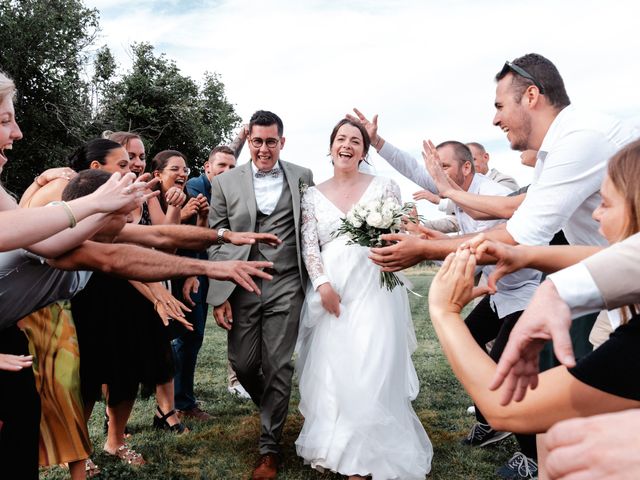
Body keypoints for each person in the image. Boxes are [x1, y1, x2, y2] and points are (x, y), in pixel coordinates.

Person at [349, 107, 541, 476]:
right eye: (436, 171)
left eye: (445, 169)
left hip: (530, 291)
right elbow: (414, 170)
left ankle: (533, 458)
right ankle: (490, 421)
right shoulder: (459, 191)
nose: (438, 177)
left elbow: (491, 238)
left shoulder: (494, 192)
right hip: (498, 294)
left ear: (466, 168)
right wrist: (377, 141)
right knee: (467, 341)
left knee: (503, 364)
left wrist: (434, 246)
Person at [295, 118, 432, 479]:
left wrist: (406, 230)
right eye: (341, 138)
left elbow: (400, 232)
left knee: (372, 362)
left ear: (364, 151)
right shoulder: (310, 194)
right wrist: (322, 284)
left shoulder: (385, 186)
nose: (347, 145)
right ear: (330, 147)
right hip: (334, 291)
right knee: (334, 366)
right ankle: (334, 442)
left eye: (355, 140)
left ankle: (366, 451)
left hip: (375, 286)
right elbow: (310, 245)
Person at [207, 110, 313, 480]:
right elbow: (215, 240)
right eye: (257, 141)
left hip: (287, 282)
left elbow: (310, 230)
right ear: (247, 141)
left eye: (271, 141)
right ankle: (273, 408)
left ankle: (269, 448)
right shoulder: (224, 183)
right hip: (243, 283)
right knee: (245, 363)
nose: (264, 149)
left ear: (281, 142)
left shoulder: (302, 177)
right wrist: (219, 296)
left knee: (280, 365)